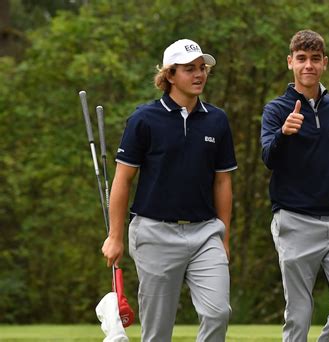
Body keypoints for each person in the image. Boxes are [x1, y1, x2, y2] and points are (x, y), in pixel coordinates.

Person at [101, 39, 237, 342]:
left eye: (202, 68)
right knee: (158, 331)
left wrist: (224, 236)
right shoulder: (143, 119)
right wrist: (115, 235)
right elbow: (123, 180)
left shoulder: (217, 120)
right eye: (190, 69)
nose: (199, 74)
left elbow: (222, 182)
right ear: (170, 75)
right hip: (154, 233)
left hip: (205, 234)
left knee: (218, 313)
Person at [260, 29, 329, 342]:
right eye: (302, 59)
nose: (309, 65)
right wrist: (284, 134)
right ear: (290, 62)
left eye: (315, 59)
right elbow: (268, 157)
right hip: (294, 221)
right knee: (299, 314)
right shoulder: (276, 110)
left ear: (325, 63)